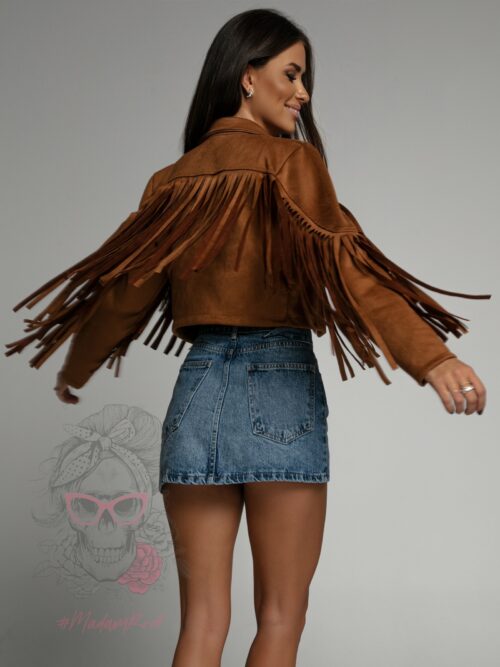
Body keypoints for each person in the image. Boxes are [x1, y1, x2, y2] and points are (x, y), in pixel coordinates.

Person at [5, 9, 490, 667]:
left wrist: (78, 365)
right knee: (281, 618)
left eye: (305, 78)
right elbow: (353, 272)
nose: (303, 93)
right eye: (291, 74)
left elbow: (125, 295)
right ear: (247, 76)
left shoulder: (171, 183)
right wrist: (432, 358)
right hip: (279, 388)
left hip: (198, 389)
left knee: (202, 623)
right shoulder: (292, 164)